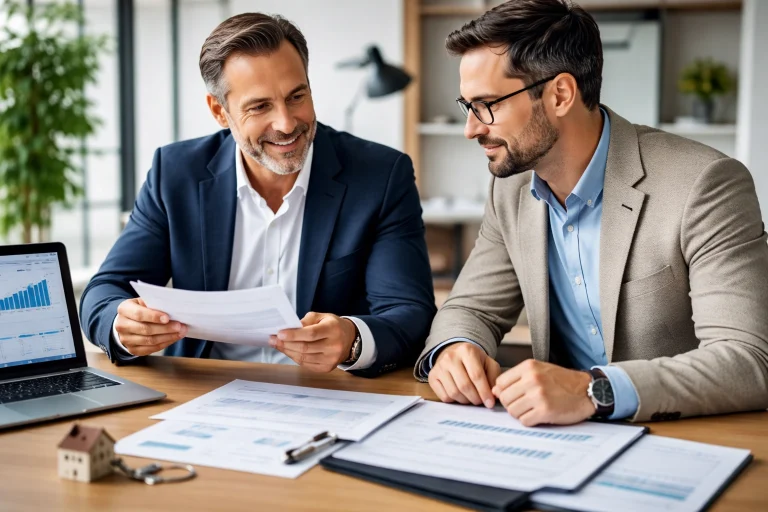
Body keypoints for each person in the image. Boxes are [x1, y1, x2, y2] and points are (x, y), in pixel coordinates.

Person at [416, 0, 768, 424]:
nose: (472, 127)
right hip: (554, 439)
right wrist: (457, 348)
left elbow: (749, 360)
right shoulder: (510, 187)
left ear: (560, 94)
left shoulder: (704, 184)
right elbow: (472, 308)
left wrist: (593, 390)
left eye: (487, 104)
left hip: (680, 436)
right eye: (467, 106)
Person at [80, 13, 436, 377]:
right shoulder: (175, 173)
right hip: (203, 391)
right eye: (260, 106)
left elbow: (410, 313)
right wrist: (123, 326)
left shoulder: (380, 175)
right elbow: (103, 293)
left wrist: (353, 339)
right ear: (220, 111)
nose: (286, 123)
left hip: (328, 392)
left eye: (297, 96)